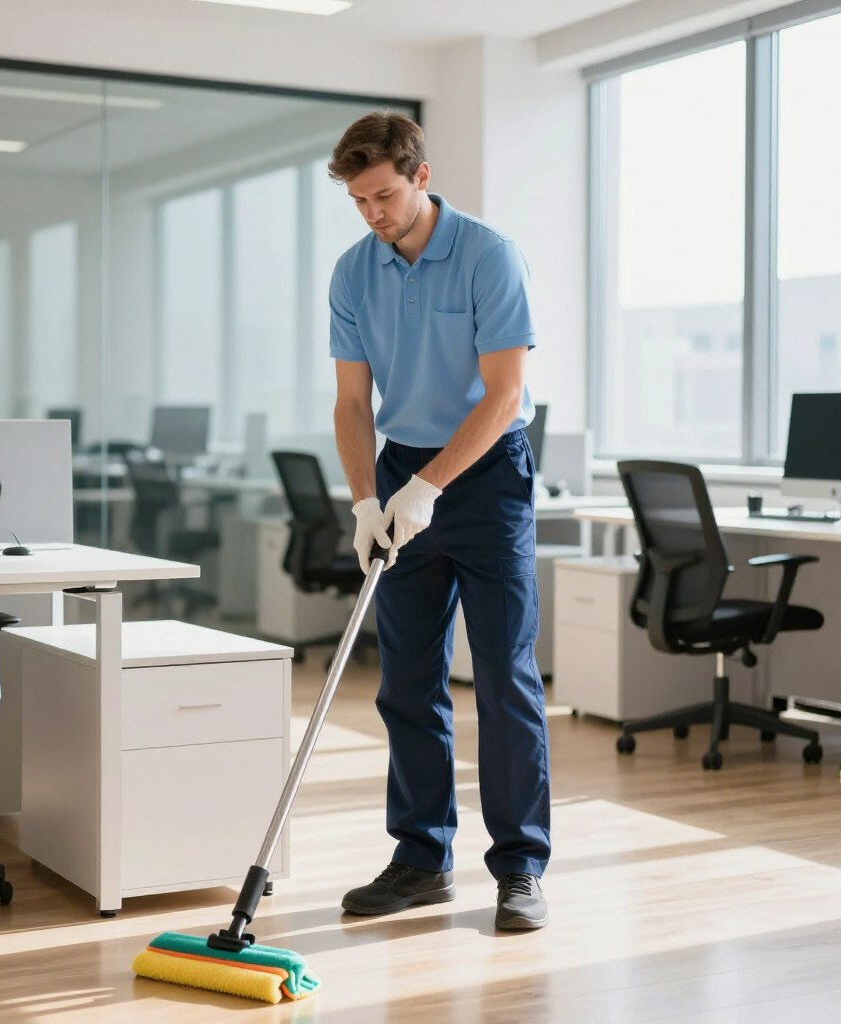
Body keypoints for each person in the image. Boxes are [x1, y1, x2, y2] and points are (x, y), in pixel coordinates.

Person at [328, 111, 550, 931]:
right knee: (407, 682)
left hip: (485, 477)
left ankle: (521, 866)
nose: (374, 214)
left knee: (503, 677)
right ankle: (422, 857)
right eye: (358, 201)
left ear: (420, 175)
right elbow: (353, 404)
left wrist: (429, 488)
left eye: (384, 194)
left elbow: (504, 397)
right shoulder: (354, 272)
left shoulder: (489, 257)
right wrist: (365, 498)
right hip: (398, 470)